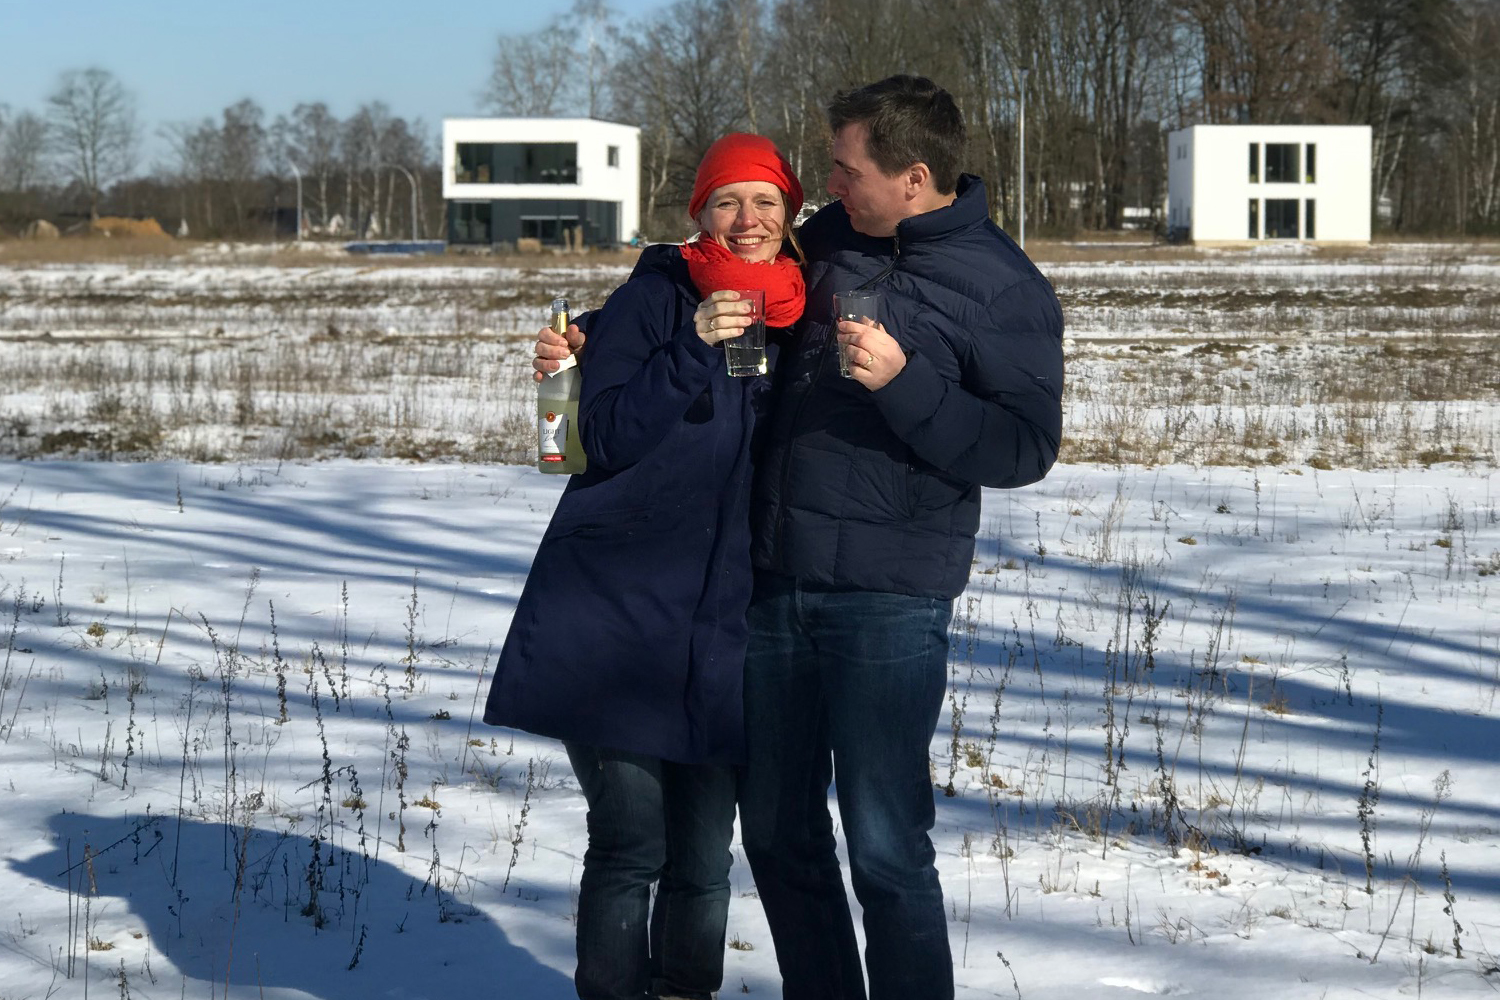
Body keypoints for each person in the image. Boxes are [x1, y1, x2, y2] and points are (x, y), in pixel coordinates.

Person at [535, 75, 1064, 1000]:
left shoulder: (1004, 289)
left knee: (887, 845)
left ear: (913, 176)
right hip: (771, 587)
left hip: (888, 601)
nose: (826, 185)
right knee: (779, 837)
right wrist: (594, 339)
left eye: (844, 168)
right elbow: (716, 267)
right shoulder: (830, 241)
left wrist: (906, 384)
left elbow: (1025, 447)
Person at [486, 133, 806, 1000]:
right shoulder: (652, 300)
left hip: (722, 625)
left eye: (767, 203)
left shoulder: (797, 312)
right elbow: (607, 439)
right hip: (615, 615)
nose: (748, 220)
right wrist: (692, 345)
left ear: (792, 216)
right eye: (728, 202)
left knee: (704, 856)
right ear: (698, 213)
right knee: (633, 843)